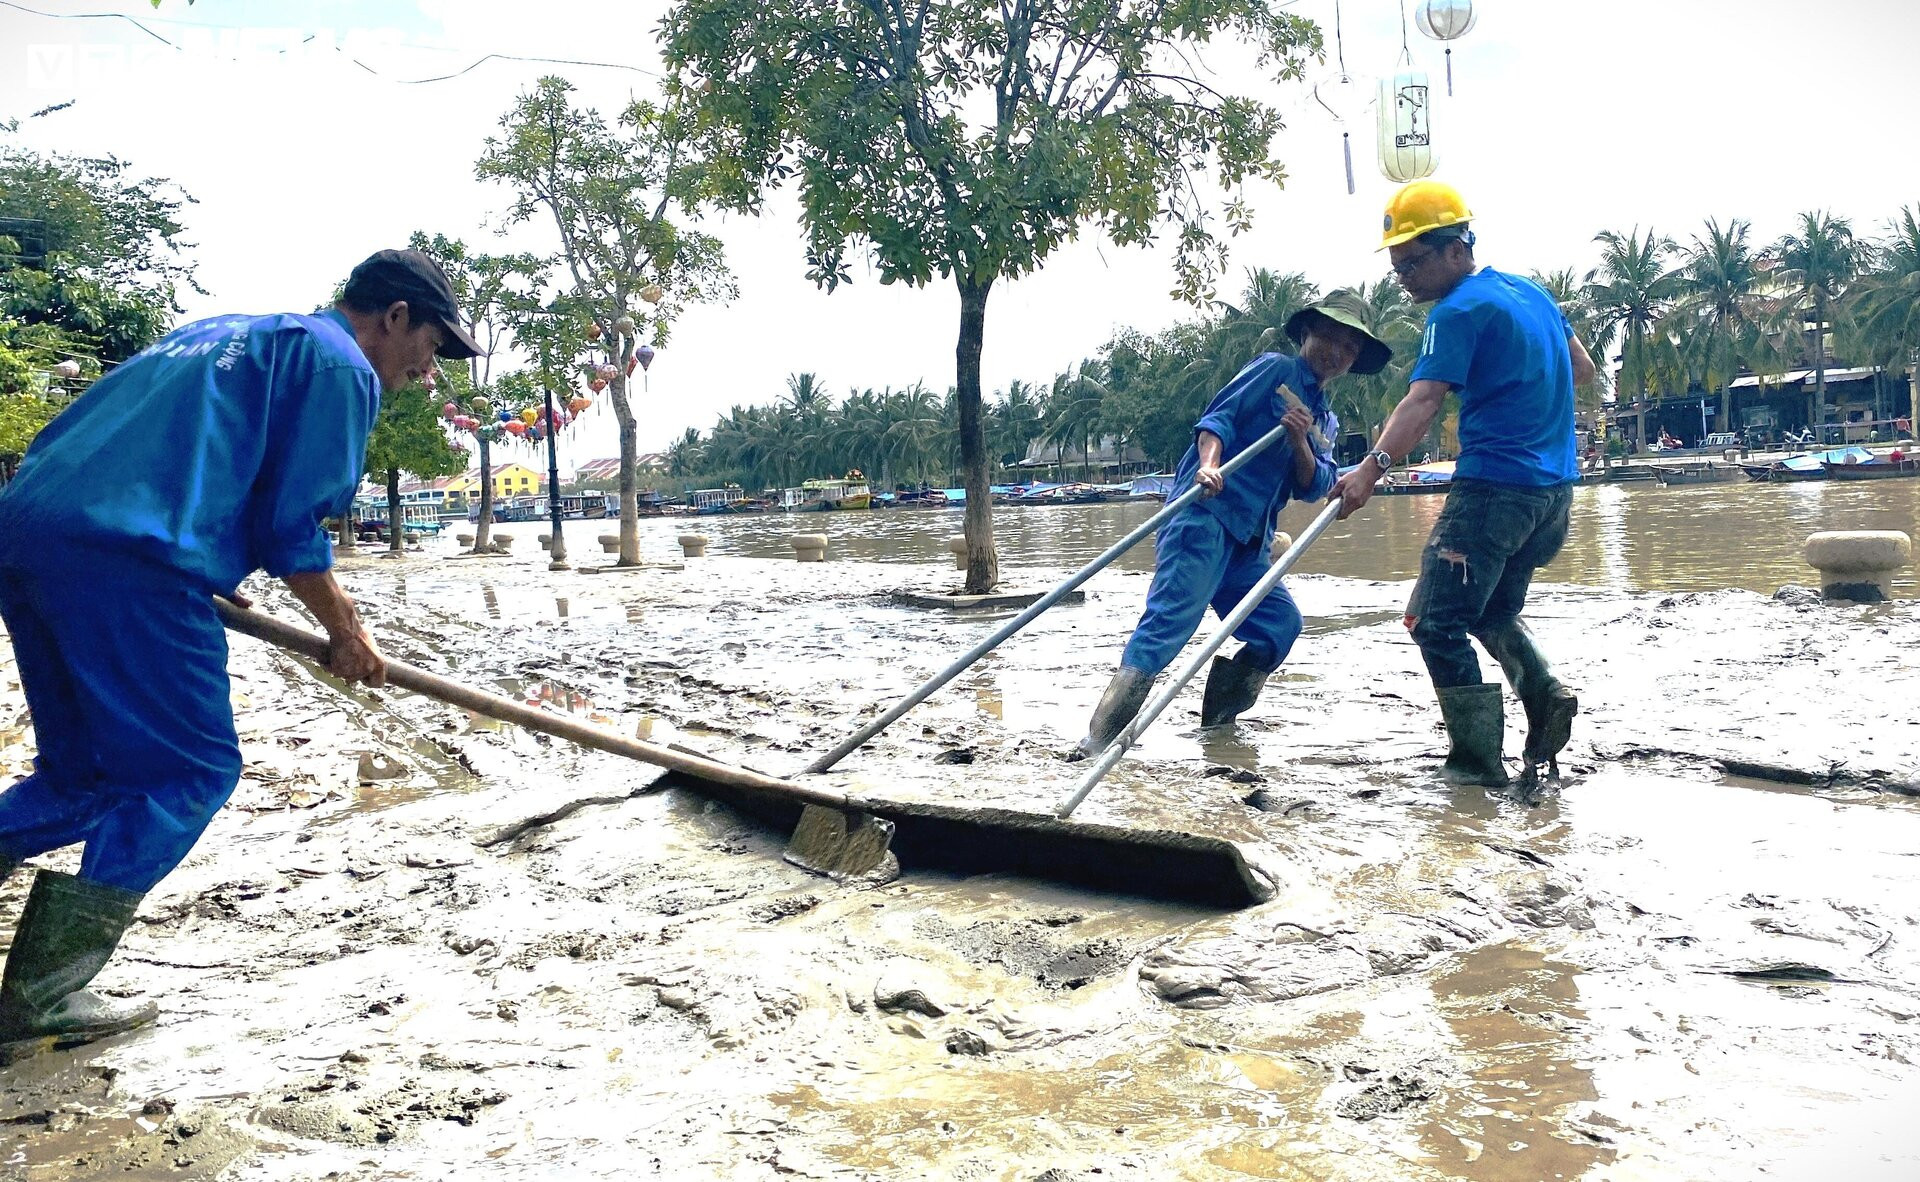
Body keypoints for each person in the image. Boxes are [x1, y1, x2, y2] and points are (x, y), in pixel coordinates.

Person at [0, 249, 481, 1059]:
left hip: (30, 535)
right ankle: (40, 996)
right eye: (431, 347)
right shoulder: (339, 366)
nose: (426, 371)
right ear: (395, 316)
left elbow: (134, 452)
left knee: (84, 777)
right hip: (129, 561)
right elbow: (293, 527)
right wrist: (347, 631)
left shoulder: (227, 333)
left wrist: (202, 554)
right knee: (192, 771)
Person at [1330, 181, 1596, 789]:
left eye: (1414, 262)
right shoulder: (1534, 294)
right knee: (1495, 610)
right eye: (1398, 266)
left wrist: (1369, 471)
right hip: (1553, 495)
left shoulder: (1457, 312)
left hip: (1493, 491)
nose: (1405, 277)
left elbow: (1422, 399)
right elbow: (1581, 370)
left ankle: (1478, 764)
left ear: (1458, 248)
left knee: (1433, 621)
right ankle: (1544, 690)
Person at [1075, 291, 1392, 758]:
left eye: (1349, 346)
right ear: (1307, 333)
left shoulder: (1324, 419)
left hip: (1250, 542)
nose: (1336, 352)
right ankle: (1098, 742)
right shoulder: (1275, 370)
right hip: (1204, 519)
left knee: (1279, 625)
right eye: (1328, 336)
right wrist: (1209, 465)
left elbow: (1314, 485)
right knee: (1168, 628)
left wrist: (1300, 440)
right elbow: (1217, 420)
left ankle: (1218, 729)